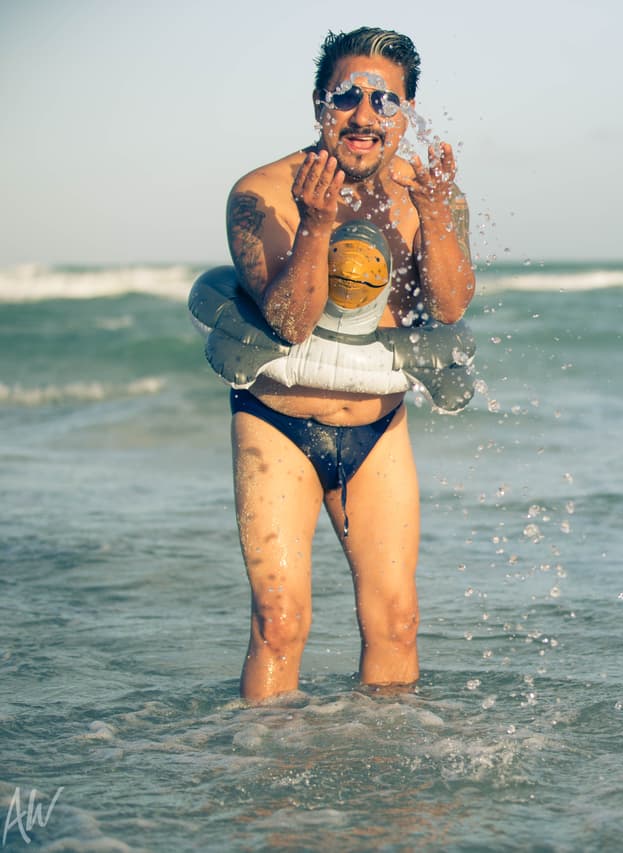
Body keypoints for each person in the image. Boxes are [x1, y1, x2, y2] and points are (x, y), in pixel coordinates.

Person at [224, 27, 475, 701]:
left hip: (377, 429)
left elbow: (448, 310)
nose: (364, 116)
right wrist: (315, 223)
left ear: (406, 114)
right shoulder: (261, 195)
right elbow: (288, 322)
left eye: (384, 101)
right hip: (278, 424)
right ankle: (264, 786)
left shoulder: (427, 195)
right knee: (280, 622)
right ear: (319, 104)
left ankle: (386, 782)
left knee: (396, 620)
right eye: (347, 97)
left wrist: (437, 218)